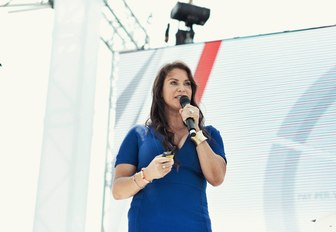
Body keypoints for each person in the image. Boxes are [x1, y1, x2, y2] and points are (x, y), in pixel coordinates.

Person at [112, 61, 227, 232]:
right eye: (174, 82)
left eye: (187, 84)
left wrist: (195, 130)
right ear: (160, 91)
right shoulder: (138, 135)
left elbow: (217, 178)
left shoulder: (210, 135)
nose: (182, 88)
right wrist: (147, 175)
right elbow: (118, 191)